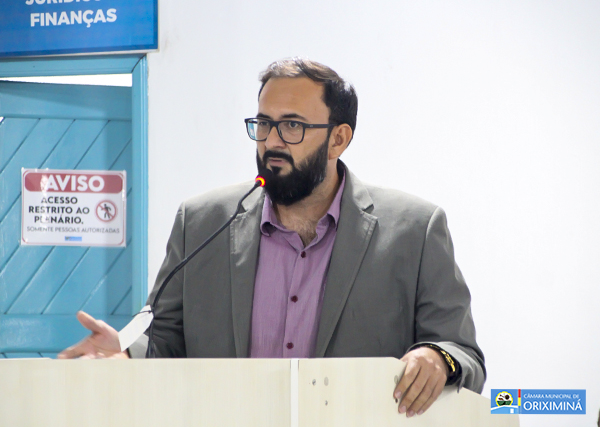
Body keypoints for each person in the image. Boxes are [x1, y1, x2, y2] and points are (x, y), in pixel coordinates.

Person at [59, 58, 486, 418]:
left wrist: (436, 357)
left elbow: (462, 351)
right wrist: (127, 352)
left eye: (292, 126)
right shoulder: (202, 222)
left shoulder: (414, 230)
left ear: (338, 139)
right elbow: (165, 338)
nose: (272, 142)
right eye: (264, 124)